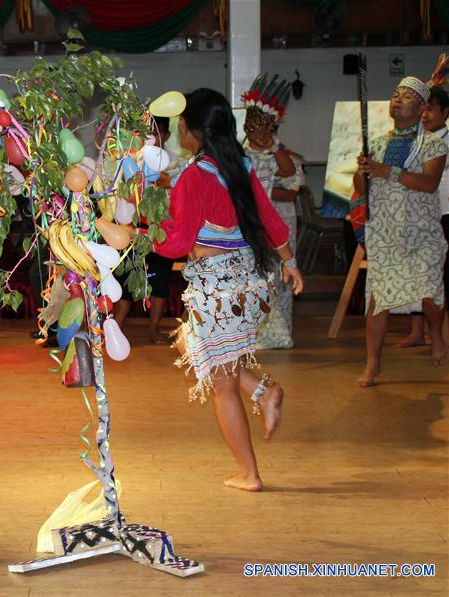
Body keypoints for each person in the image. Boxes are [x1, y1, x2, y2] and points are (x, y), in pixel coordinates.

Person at [153, 88, 304, 492]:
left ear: (190, 129)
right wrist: (289, 261)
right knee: (189, 342)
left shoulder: (193, 176)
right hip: (250, 284)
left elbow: (176, 243)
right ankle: (264, 391)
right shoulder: (241, 164)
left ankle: (249, 474)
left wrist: (139, 233)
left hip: (218, 287)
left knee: (221, 383)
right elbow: (270, 219)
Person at [355, 77, 448, 386]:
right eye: (395, 94)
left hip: (422, 232)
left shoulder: (434, 143)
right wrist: (363, 171)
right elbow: (360, 191)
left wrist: (387, 172)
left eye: (407, 96)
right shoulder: (378, 143)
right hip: (385, 233)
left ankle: (435, 335)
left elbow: (429, 183)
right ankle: (373, 362)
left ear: (422, 107)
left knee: (430, 292)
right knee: (378, 299)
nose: (398, 99)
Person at [242, 74, 297, 349]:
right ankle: (255, 333)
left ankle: (282, 332)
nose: (257, 131)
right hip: (251, 224)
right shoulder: (239, 154)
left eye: (263, 126)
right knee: (256, 277)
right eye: (252, 126)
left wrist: (273, 147)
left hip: (279, 222)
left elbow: (290, 177)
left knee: (282, 278)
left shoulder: (278, 152)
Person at [111, 116, 176, 344]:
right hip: (132, 228)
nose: (150, 137)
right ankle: (114, 329)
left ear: (166, 135)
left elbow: (175, 192)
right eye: (145, 132)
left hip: (161, 229)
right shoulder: (132, 158)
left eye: (156, 132)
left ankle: (153, 330)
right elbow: (123, 193)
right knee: (126, 281)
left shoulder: (173, 161)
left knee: (160, 281)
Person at [399, 85, 449, 348]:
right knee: (417, 275)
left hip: (445, 211)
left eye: (432, 109)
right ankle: (417, 331)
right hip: (417, 214)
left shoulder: (443, 142)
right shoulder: (413, 140)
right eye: (424, 108)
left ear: (446, 112)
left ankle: (438, 333)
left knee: (440, 276)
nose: (426, 114)